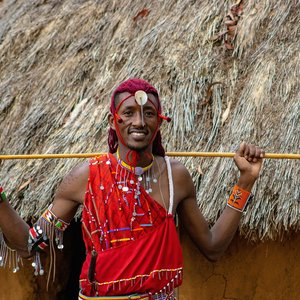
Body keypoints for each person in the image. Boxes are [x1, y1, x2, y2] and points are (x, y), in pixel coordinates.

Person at [0, 78, 264, 299]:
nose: (139, 122)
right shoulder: (87, 177)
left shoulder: (176, 178)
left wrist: (245, 182)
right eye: (129, 113)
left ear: (159, 121)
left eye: (148, 113)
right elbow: (29, 245)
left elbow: (213, 247)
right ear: (113, 120)